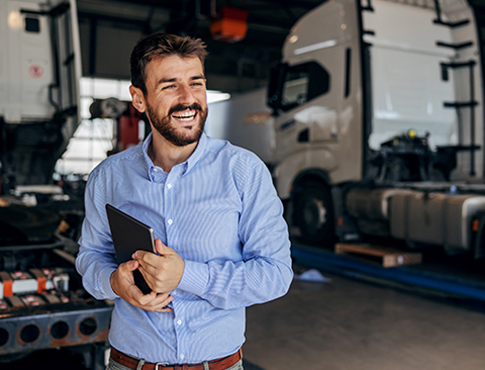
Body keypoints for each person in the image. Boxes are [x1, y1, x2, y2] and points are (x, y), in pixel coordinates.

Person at [76, 32, 293, 370]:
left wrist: (186, 276)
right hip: (130, 364)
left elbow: (276, 274)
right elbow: (90, 257)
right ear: (138, 98)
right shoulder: (109, 177)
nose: (188, 99)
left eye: (196, 83)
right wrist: (113, 282)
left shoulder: (243, 172)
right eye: (169, 86)